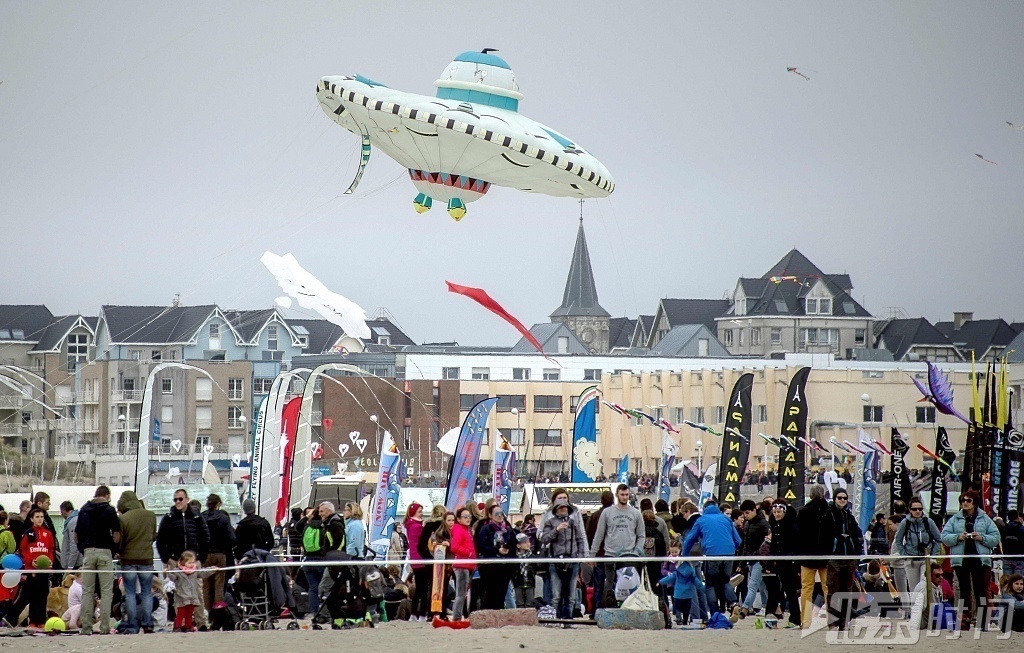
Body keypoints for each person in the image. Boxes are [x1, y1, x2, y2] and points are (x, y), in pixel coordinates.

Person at [940, 489, 1000, 628]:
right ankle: (964, 620)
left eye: (968, 500)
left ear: (975, 503)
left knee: (981, 590)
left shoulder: (985, 519)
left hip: (979, 559)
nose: (965, 503)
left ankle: (983, 621)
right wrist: (957, 537)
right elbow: (944, 537)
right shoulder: (955, 519)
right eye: (963, 501)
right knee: (964, 590)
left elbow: (996, 538)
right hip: (961, 559)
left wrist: (981, 538)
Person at [75, 485, 122, 635]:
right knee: (107, 591)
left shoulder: (83, 509)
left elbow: (76, 535)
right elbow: (116, 534)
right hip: (105, 552)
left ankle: (86, 627)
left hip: (88, 552)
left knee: (87, 591)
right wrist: (113, 550)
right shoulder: (109, 510)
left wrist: (83, 549)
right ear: (107, 496)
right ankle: (104, 627)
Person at [681, 499, 741, 615]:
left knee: (710, 584)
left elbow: (689, 539)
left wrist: (685, 555)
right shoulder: (726, 519)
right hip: (729, 554)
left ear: (704, 509)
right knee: (725, 581)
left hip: (712, 554)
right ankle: (734, 604)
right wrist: (731, 549)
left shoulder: (701, 520)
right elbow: (738, 540)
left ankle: (714, 612)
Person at [589, 484, 644, 608]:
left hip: (629, 557)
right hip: (610, 555)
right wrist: (592, 554)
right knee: (609, 587)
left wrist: (636, 551)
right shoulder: (607, 513)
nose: (625, 497)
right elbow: (599, 535)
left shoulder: (635, 513)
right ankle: (609, 608)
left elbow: (641, 535)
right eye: (622, 495)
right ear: (617, 495)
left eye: (627, 495)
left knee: (628, 588)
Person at [540, 496, 588, 619]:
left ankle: (568, 620)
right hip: (555, 562)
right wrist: (556, 530)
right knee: (556, 596)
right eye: (560, 507)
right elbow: (544, 539)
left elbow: (580, 540)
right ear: (556, 509)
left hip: (572, 561)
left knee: (571, 596)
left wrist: (580, 557)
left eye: (565, 507)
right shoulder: (549, 523)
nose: (563, 509)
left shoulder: (573, 523)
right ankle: (555, 619)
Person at [117, 489, 157, 634]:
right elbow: (153, 536)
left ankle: (133, 624)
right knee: (147, 592)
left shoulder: (123, 519)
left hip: (128, 560)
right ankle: (148, 624)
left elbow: (120, 541)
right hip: (146, 559)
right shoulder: (151, 515)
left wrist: (119, 552)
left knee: (130, 593)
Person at [823, 489, 863, 631]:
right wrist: (836, 541)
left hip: (849, 557)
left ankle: (844, 622)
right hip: (835, 557)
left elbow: (858, 534)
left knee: (848, 591)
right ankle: (833, 622)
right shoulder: (828, 515)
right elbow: (824, 534)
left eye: (845, 498)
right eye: (839, 498)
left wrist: (855, 550)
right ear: (834, 498)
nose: (842, 500)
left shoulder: (849, 516)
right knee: (833, 591)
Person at [796, 485, 832, 629]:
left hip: (807, 554)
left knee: (806, 588)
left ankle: (805, 621)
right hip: (825, 554)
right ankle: (831, 620)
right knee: (827, 588)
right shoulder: (829, 510)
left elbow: (798, 533)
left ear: (810, 495)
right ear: (823, 494)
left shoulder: (804, 511)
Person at [13, 507, 55, 627]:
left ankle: (41, 621)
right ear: (32, 519)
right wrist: (31, 562)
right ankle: (31, 621)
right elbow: (22, 550)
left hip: (44, 569)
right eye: (37, 517)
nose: (40, 519)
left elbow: (51, 550)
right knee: (31, 595)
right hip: (32, 570)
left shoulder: (48, 534)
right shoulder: (28, 533)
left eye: (41, 517)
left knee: (43, 595)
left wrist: (50, 561)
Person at [893, 496, 942, 598]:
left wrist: (933, 555)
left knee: (926, 586)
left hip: (926, 559)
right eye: (915, 509)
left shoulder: (928, 522)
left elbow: (938, 538)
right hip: (911, 560)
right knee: (914, 590)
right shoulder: (905, 523)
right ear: (910, 510)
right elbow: (898, 540)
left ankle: (928, 611)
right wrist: (904, 555)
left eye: (920, 509)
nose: (917, 511)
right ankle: (916, 612)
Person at [765, 499, 801, 628]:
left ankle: (795, 619)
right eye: (774, 512)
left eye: (779, 511)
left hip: (789, 562)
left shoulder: (791, 525)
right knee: (783, 590)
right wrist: (770, 563)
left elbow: (796, 545)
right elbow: (774, 545)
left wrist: (795, 563)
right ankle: (777, 614)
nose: (777, 514)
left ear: (784, 511)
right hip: (779, 562)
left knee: (791, 591)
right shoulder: (775, 525)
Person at [475, 504, 517, 610]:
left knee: (501, 594)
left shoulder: (508, 528)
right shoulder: (485, 528)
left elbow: (514, 544)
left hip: (505, 566)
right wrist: (497, 550)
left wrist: (508, 550)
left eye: (501, 513)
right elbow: (481, 546)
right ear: (490, 515)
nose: (499, 516)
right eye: (496, 513)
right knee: (490, 594)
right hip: (490, 566)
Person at [156, 488, 210, 568]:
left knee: (195, 580)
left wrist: (201, 559)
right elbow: (160, 541)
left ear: (187, 499)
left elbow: (205, 538)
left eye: (180, 499)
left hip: (194, 561)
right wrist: (168, 559)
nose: (178, 502)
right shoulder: (168, 518)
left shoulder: (197, 517)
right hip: (175, 561)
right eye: (175, 500)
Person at [201, 493, 235, 617]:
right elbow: (232, 538)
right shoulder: (223, 518)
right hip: (220, 554)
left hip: (205, 554)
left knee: (206, 585)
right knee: (219, 585)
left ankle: (207, 612)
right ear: (218, 504)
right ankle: (218, 613)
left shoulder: (202, 517)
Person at [166, 550, 213, 632]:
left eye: (193, 562)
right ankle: (178, 626)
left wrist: (213, 569)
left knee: (189, 613)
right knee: (181, 613)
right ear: (183, 562)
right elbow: (172, 578)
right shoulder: (178, 571)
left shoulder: (195, 572)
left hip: (192, 596)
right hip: (181, 597)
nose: (192, 564)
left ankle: (188, 627)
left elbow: (203, 573)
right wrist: (168, 573)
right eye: (189, 562)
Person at [738, 499, 770, 617]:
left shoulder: (763, 524)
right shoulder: (748, 523)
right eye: (744, 514)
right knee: (761, 586)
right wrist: (741, 563)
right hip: (752, 558)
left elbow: (766, 544)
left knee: (752, 585)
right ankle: (769, 607)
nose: (745, 516)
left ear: (754, 510)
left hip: (759, 559)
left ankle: (745, 608)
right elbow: (745, 545)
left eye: (747, 513)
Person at [585, 490, 614, 609]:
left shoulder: (594, 516)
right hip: (613, 554)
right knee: (613, 583)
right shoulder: (614, 514)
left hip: (598, 554)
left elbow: (589, 535)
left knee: (598, 584)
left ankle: (596, 610)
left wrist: (591, 553)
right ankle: (611, 606)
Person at [449, 507, 477, 622]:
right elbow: (454, 547)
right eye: (465, 517)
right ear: (459, 519)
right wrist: (469, 553)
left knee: (463, 594)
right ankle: (456, 618)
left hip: (467, 565)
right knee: (461, 595)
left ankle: (458, 617)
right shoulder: (460, 530)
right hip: (462, 566)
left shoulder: (466, 530)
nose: (468, 519)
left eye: (469, 517)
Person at [404, 503, 429, 620]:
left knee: (419, 588)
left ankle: (414, 614)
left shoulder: (411, 526)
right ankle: (422, 614)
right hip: (421, 559)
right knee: (423, 589)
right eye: (419, 511)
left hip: (415, 559)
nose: (422, 513)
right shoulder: (417, 527)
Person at [1001, 510, 1024, 578]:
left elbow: (1001, 541)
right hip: (1019, 558)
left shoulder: (1005, 529)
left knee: (1007, 582)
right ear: (1018, 517)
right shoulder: (1022, 529)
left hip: (1007, 557)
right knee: (1018, 580)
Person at [59, 501, 81, 570]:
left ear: (63, 510)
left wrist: (70, 566)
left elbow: (74, 545)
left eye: (61, 512)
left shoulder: (73, 522)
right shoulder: (78, 519)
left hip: (74, 564)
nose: (61, 514)